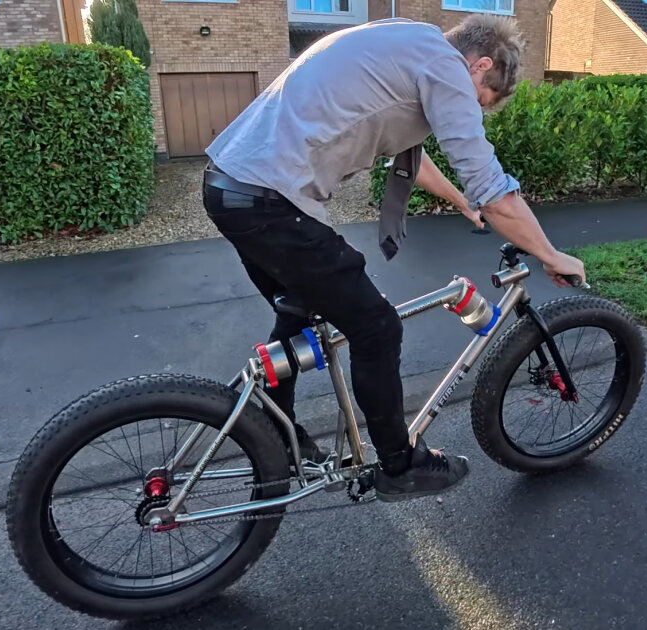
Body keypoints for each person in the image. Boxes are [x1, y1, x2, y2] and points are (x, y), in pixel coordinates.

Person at [202, 15, 586, 502]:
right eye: (480, 100)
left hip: (230, 185)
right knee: (376, 327)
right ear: (481, 65)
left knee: (300, 313)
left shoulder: (409, 41)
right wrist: (550, 254)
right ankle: (401, 465)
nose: (472, 108)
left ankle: (275, 434)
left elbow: (413, 156)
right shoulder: (447, 68)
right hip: (270, 200)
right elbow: (493, 188)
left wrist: (460, 201)